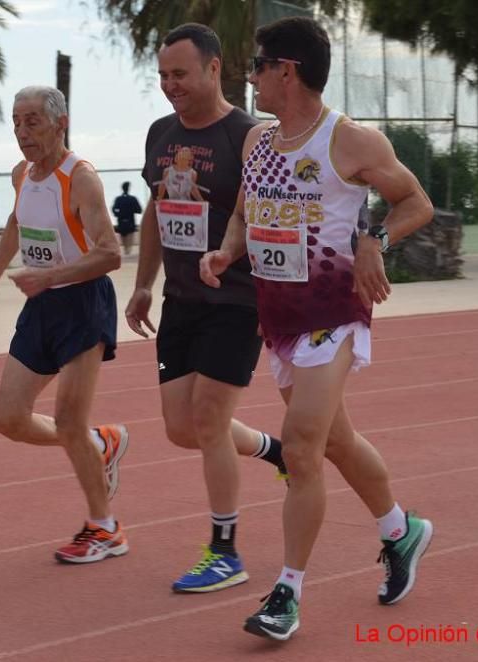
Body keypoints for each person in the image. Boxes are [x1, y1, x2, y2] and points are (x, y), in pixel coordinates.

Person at [198, 17, 435, 640]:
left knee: (300, 447)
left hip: (333, 314)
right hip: (278, 320)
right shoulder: (257, 143)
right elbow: (246, 214)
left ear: (287, 70)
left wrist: (373, 239)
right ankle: (399, 529)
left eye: (257, 65)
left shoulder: (350, 141)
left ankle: (286, 593)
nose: (249, 77)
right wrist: (227, 251)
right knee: (334, 442)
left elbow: (416, 202)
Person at [125, 23, 287, 594]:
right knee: (181, 427)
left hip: (238, 298)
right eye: (164, 76)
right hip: (180, 300)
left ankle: (225, 551)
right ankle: (274, 448)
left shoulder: (250, 136)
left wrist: (276, 297)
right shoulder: (159, 133)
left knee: (212, 420)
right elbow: (157, 212)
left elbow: (273, 218)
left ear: (214, 68)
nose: (172, 85)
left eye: (181, 74)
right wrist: (143, 284)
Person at [0, 85, 130, 564]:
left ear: (61, 123)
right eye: (16, 122)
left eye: (33, 121)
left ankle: (106, 528)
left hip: (83, 303)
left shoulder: (81, 179)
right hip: (41, 307)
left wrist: (50, 276)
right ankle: (102, 442)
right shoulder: (22, 174)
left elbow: (111, 253)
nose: (22, 133)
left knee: (67, 421)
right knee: (9, 419)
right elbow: (17, 224)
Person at [111, 181, 143, 256]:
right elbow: (139, 210)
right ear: (128, 189)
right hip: (131, 223)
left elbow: (113, 209)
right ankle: (128, 252)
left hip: (121, 222)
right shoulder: (133, 199)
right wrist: (132, 210)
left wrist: (118, 214)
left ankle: (126, 252)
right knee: (129, 243)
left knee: (124, 241)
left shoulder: (118, 199)